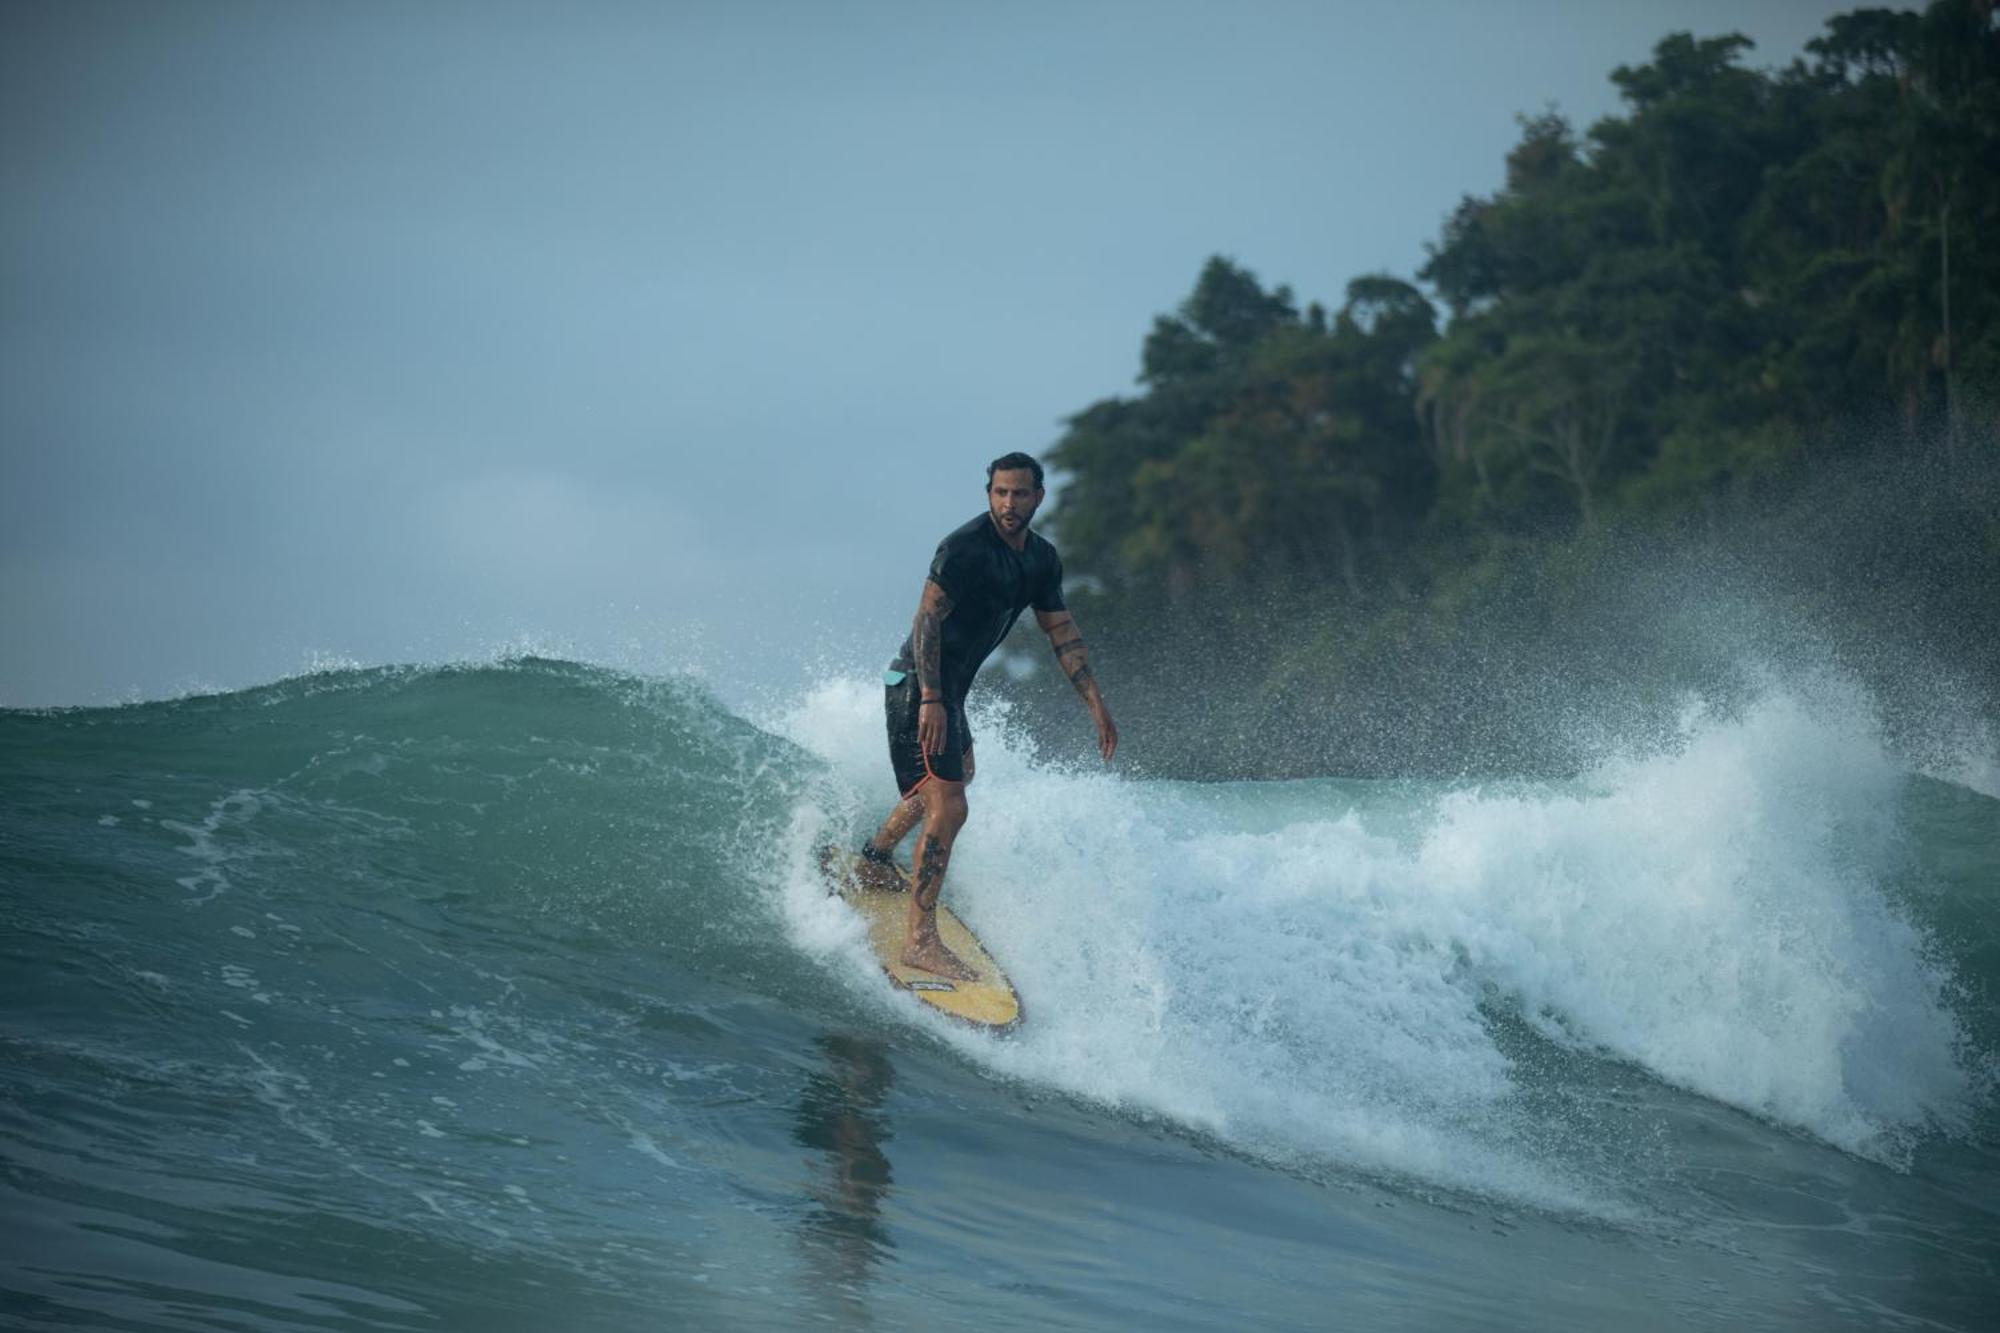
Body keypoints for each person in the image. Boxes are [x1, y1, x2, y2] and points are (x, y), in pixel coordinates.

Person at [858, 451, 1117, 979]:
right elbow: (925, 621)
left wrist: (1095, 703)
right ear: (989, 494)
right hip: (915, 685)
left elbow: (1060, 633)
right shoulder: (963, 548)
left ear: (1038, 497)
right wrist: (930, 696)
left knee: (957, 779)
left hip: (948, 692)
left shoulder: (1041, 560)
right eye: (1000, 492)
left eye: (1019, 493)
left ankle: (874, 858)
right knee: (949, 805)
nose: (1008, 503)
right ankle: (920, 941)